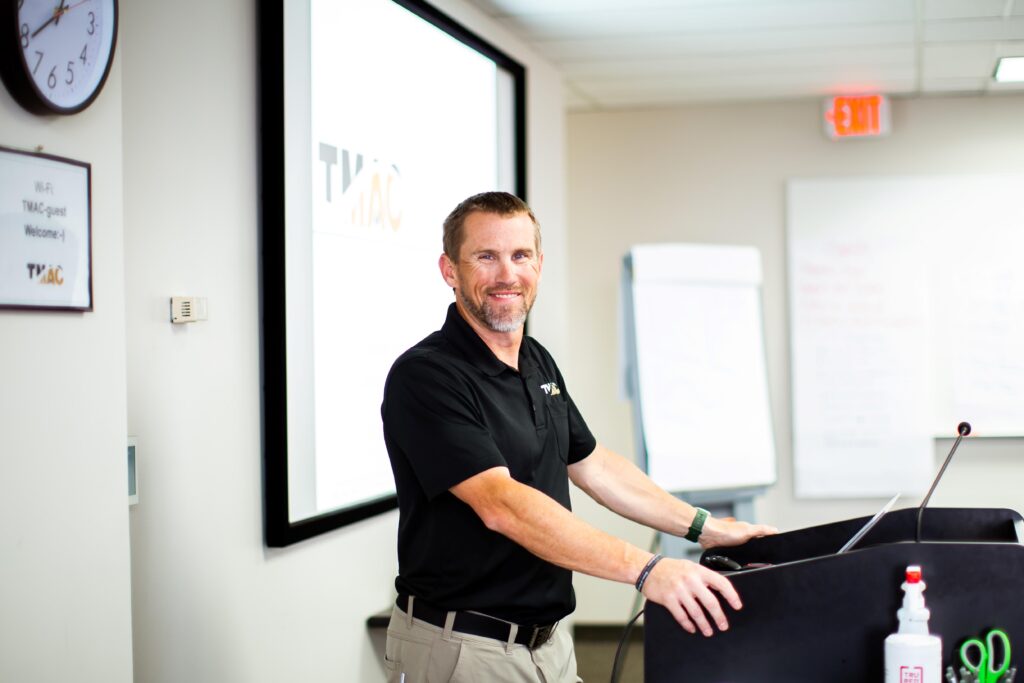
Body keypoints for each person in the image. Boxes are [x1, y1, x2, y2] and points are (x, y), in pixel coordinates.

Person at [381, 191, 776, 682]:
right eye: (486, 257)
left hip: (550, 645)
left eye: (520, 255)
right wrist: (647, 569)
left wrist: (704, 528)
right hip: (465, 648)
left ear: (539, 265)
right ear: (449, 270)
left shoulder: (536, 360)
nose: (507, 274)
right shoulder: (426, 376)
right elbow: (502, 505)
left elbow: (594, 465)